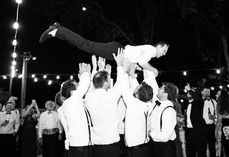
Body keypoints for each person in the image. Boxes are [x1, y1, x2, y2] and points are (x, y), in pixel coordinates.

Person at [39, 22, 169, 76]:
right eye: (164, 51)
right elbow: (142, 63)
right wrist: (154, 70)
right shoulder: (152, 50)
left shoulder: (148, 50)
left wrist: (139, 69)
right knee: (85, 45)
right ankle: (57, 30)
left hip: (116, 51)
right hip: (116, 51)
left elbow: (137, 62)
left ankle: (58, 30)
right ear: (161, 46)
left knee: (85, 45)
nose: (163, 54)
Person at [114, 52, 154, 157]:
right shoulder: (148, 104)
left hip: (136, 151)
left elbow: (123, 87)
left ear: (137, 94)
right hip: (145, 147)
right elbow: (138, 90)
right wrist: (132, 75)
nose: (136, 86)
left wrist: (120, 66)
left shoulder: (134, 104)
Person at [61, 63, 93, 157]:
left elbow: (89, 90)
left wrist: (89, 75)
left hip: (86, 146)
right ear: (72, 91)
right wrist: (84, 74)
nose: (79, 85)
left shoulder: (78, 102)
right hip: (78, 148)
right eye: (77, 85)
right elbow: (84, 85)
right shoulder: (69, 103)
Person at [148, 82, 179, 157]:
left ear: (165, 94)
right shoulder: (157, 105)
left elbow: (165, 136)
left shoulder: (169, 111)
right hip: (154, 145)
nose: (158, 89)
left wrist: (149, 133)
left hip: (165, 148)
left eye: (161, 88)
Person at [185, 84, 207, 157]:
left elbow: (197, 98)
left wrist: (189, 90)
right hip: (190, 132)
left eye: (192, 92)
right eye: (188, 92)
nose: (189, 93)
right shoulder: (188, 104)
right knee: (190, 152)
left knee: (201, 152)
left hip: (198, 131)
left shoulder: (199, 102)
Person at [215, 89, 229, 157]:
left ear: (222, 96)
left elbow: (219, 121)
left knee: (228, 150)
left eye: (218, 94)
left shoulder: (219, 106)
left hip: (227, 130)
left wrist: (215, 131)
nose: (216, 95)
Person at [201, 86, 217, 157]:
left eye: (208, 92)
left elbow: (217, 114)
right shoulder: (199, 101)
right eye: (205, 91)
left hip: (211, 126)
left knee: (212, 146)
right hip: (202, 127)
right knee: (202, 147)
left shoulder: (213, 102)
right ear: (202, 92)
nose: (207, 93)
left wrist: (214, 118)